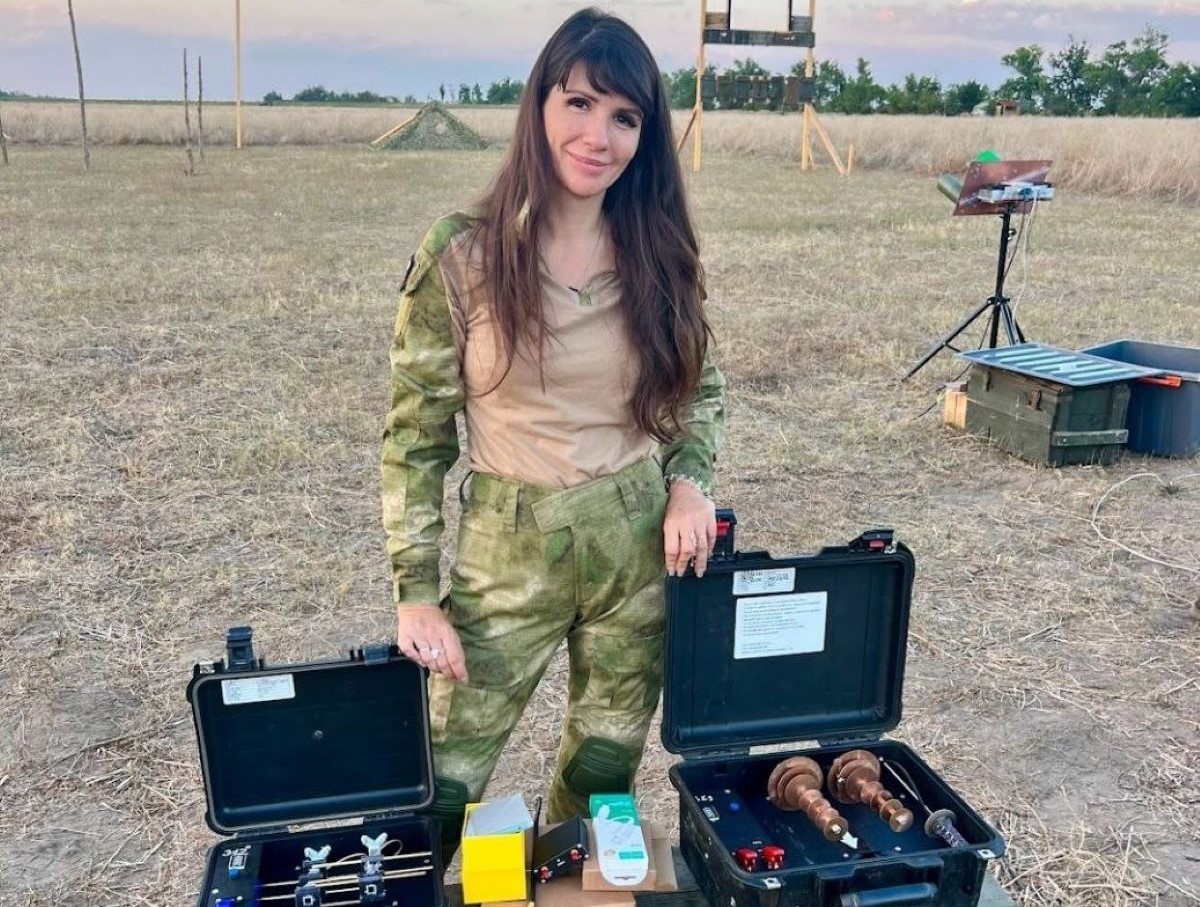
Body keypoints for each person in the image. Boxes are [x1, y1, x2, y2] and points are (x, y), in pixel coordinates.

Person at [381, 6, 725, 854]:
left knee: (604, 768)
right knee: (444, 776)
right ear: (538, 105)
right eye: (578, 103)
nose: (598, 137)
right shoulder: (462, 254)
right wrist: (415, 591)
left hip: (635, 545)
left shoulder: (659, 250)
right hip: (509, 549)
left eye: (624, 117)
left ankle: (569, 884)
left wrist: (690, 483)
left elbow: (699, 389)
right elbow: (416, 435)